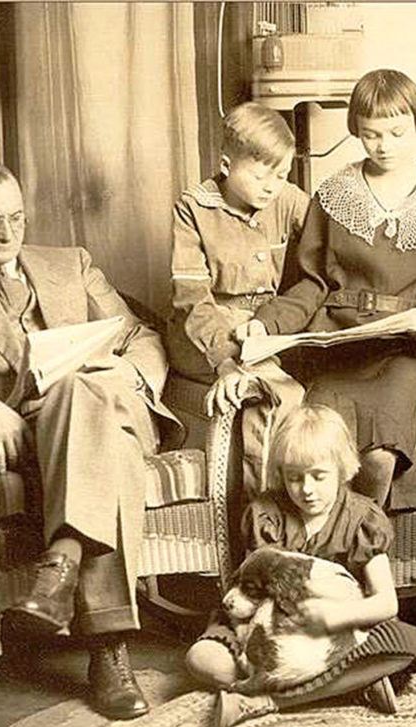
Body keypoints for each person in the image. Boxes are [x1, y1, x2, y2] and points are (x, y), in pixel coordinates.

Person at [0, 161, 183, 720]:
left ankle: (63, 562)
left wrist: (134, 376)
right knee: (96, 429)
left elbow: (137, 336)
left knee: (81, 390)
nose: (8, 234)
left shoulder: (70, 264)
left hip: (113, 406)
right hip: (25, 435)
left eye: (17, 219)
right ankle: (108, 650)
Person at [244, 68, 416, 506]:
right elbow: (310, 282)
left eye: (397, 132)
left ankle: (361, 552)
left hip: (402, 350)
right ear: (357, 133)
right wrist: (265, 325)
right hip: (339, 344)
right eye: (371, 135)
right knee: (319, 451)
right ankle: (327, 562)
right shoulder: (333, 193)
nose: (384, 146)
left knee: (380, 456)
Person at [183, 404, 416, 727]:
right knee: (202, 660)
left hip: (338, 633)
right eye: (294, 477)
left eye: (318, 476)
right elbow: (252, 592)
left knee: (404, 643)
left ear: (343, 470)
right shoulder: (266, 513)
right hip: (264, 629)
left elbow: (386, 603)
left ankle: (262, 701)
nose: (306, 489)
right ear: (281, 474)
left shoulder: (361, 519)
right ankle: (348, 686)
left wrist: (335, 617)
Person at [166, 101, 309, 493]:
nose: (271, 186)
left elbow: (327, 251)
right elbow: (192, 299)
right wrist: (226, 364)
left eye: (280, 175)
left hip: (265, 331)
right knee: (278, 394)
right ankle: (264, 516)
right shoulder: (194, 207)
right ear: (228, 165)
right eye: (262, 175)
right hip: (203, 332)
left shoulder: (288, 199)